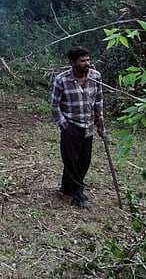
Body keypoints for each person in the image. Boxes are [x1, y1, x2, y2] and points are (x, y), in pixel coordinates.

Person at [50, 46, 105, 210]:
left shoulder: (96, 77)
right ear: (72, 62)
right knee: (70, 161)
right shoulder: (62, 80)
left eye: (88, 60)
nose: (87, 63)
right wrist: (64, 125)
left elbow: (99, 102)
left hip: (88, 127)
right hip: (71, 127)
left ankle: (66, 189)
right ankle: (79, 195)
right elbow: (54, 105)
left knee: (83, 162)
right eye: (82, 61)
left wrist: (100, 124)